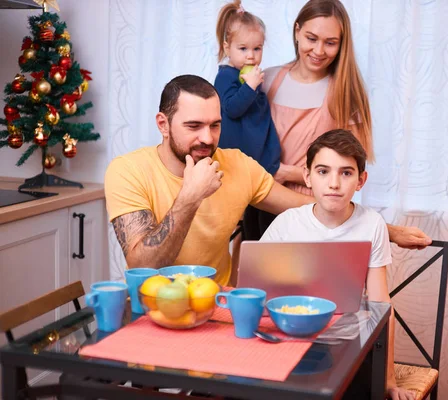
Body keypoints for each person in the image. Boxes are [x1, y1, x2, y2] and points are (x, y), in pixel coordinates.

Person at [105, 75, 311, 286]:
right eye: (194, 126)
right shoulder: (127, 170)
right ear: (163, 125)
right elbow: (143, 268)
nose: (208, 138)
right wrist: (190, 197)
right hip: (150, 306)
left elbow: (309, 210)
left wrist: (337, 186)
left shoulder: (238, 165)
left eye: (215, 125)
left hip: (217, 304)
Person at [260, 0, 431, 249]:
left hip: (319, 211)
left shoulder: (346, 92)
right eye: (311, 38)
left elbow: (351, 169)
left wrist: (287, 172)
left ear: (342, 43)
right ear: (297, 31)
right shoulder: (267, 80)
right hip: (263, 201)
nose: (319, 50)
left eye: (330, 42)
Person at [261, 129, 415, 400]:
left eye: (346, 173)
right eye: (323, 172)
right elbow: (258, 294)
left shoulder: (372, 225)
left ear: (360, 180)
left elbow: (381, 306)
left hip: (347, 347)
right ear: (307, 177)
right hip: (290, 341)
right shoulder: (287, 223)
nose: (334, 183)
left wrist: (388, 379)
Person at [214, 0, 281, 239]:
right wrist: (251, 86)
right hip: (242, 157)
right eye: (243, 49)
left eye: (257, 49)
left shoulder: (250, 74)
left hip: (260, 155)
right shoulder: (225, 77)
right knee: (253, 216)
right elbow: (232, 108)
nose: (251, 57)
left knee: (266, 211)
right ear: (227, 47)